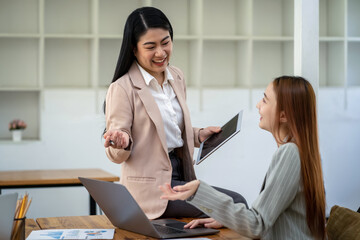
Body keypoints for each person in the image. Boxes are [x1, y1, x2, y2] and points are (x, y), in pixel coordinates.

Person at [103, 6, 247, 220]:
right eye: (150, 46)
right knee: (236, 204)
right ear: (134, 49)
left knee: (234, 208)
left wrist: (198, 135)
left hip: (181, 176)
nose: (161, 53)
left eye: (166, 42)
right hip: (153, 192)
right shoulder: (122, 88)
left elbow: (167, 130)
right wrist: (121, 142)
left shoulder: (176, 77)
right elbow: (116, 148)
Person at [160, 76, 326, 239]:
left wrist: (199, 191)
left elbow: (257, 225)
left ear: (283, 116)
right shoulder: (305, 152)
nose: (258, 105)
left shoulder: (290, 153)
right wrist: (227, 219)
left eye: (265, 100)